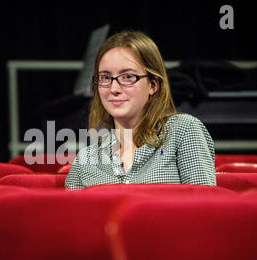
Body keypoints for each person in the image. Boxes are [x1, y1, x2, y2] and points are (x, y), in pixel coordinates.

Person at [65, 30, 216, 189]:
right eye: (105, 77)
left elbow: (206, 209)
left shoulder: (183, 131)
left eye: (128, 77)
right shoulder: (85, 160)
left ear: (153, 85)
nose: (114, 88)